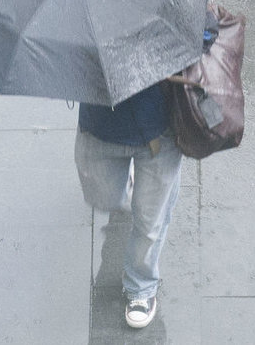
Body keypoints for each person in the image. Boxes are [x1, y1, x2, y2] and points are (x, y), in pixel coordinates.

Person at [74, 81, 182, 329]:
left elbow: (206, 40)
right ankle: (130, 180)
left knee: (149, 221)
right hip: (99, 124)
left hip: (161, 129)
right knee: (103, 197)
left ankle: (141, 287)